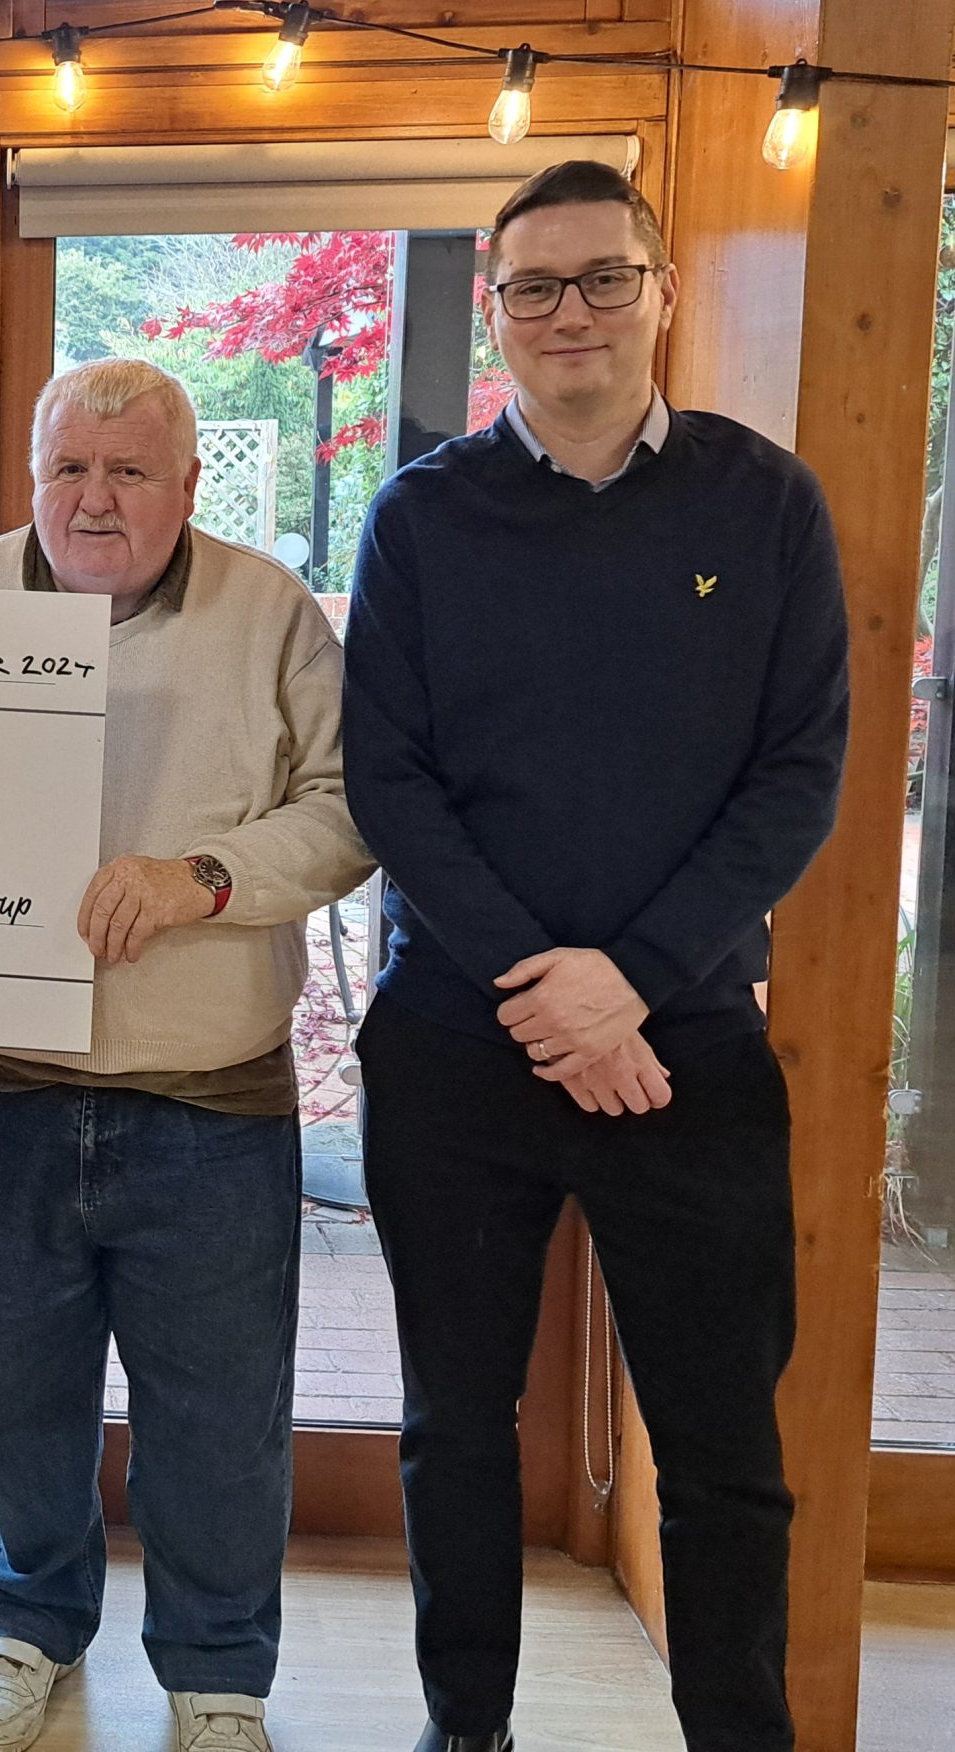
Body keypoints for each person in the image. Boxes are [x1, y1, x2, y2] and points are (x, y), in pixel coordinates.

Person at [343, 160, 848, 1752]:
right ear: (496, 312)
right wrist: (549, 993)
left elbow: (799, 775)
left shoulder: (767, 505)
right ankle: (466, 1727)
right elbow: (390, 783)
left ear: (663, 292)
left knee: (723, 1448)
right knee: (454, 1426)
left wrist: (626, 982)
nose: (572, 312)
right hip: (459, 1039)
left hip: (685, 1044)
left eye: (605, 277)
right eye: (535, 286)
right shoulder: (421, 516)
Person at [0, 358, 371, 1752]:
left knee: (220, 1415)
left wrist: (204, 878)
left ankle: (218, 1670)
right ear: (32, 475)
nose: (94, 497)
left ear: (187, 483)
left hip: (207, 1099)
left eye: (128, 471)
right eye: (69, 467)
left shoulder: (270, 611)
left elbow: (352, 806)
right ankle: (29, 1624)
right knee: (3, 1396)